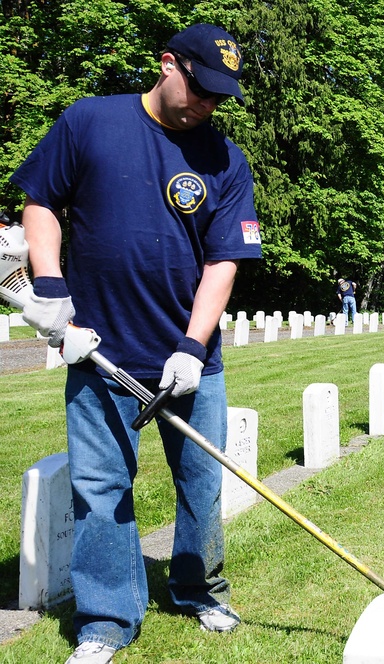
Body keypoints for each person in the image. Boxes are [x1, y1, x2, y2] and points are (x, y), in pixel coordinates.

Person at [12, 24, 261, 664]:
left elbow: (224, 261)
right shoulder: (90, 123)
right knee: (101, 492)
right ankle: (106, 622)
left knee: (201, 485)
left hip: (189, 360)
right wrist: (47, 285)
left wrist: (191, 346)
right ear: (167, 64)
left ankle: (197, 589)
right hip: (100, 352)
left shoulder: (226, 161)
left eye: (219, 96)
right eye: (200, 88)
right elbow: (39, 199)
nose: (207, 104)